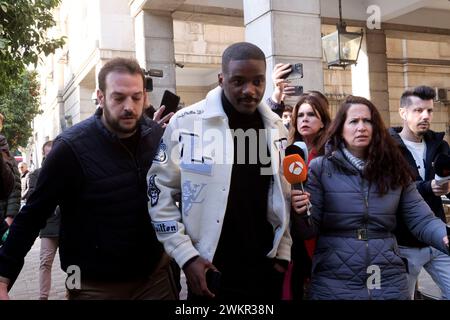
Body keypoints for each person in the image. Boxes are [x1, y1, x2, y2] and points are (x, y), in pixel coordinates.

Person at [0, 57, 178, 300]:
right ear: (101, 96)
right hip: (92, 286)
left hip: (154, 280)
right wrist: (3, 277)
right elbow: (32, 214)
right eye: (119, 97)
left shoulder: (156, 136)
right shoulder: (69, 148)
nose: (129, 106)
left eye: (136, 97)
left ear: (145, 97)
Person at [147, 42, 292, 300]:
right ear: (221, 79)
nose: (250, 90)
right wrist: (186, 256)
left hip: (264, 270)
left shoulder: (276, 127)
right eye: (238, 81)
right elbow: (159, 193)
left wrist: (283, 252)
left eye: (258, 81)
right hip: (209, 273)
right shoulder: (186, 122)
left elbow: (282, 194)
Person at [292, 95, 449, 300]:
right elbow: (308, 229)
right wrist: (300, 212)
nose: (361, 127)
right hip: (335, 278)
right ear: (341, 128)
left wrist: (443, 235)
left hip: (388, 276)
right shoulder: (321, 168)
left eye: (367, 121)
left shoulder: (395, 169)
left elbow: (422, 219)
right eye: (354, 121)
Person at [389, 85, 450, 300]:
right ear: (403, 112)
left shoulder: (440, 145)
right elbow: (388, 190)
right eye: (418, 110)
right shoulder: (387, 148)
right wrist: (427, 187)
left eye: (429, 110)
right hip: (403, 244)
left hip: (439, 238)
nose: (425, 116)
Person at [286, 93, 331, 300]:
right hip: (294, 236)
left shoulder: (332, 154)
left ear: (323, 121)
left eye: (311, 115)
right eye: (300, 115)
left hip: (324, 234)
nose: (304, 119)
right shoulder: (287, 151)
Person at [27, 140, 60, 300]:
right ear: (44, 155)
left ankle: (75, 293)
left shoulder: (70, 170)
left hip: (71, 225)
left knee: (75, 263)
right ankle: (43, 297)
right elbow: (33, 198)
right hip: (48, 226)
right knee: (45, 262)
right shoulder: (36, 174)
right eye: (49, 154)